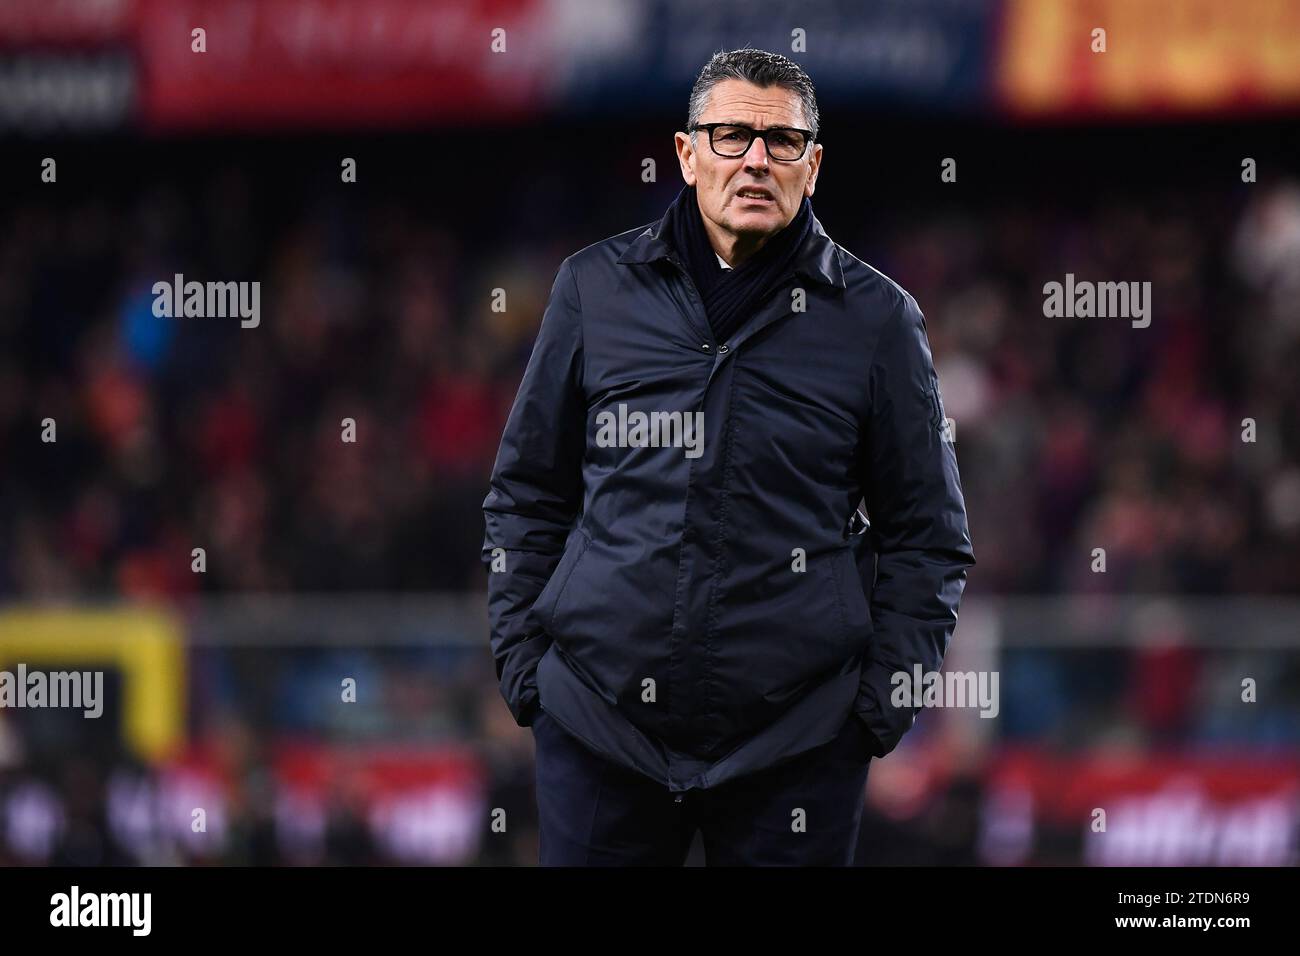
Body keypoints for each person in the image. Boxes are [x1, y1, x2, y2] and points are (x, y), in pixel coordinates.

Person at [482, 48, 975, 865]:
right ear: (686, 154)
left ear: (812, 167)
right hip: (598, 727)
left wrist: (874, 711)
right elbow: (526, 494)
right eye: (731, 136)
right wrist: (526, 670)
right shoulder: (591, 290)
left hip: (797, 747)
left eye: (782, 142)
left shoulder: (879, 321)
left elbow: (929, 536)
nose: (755, 159)